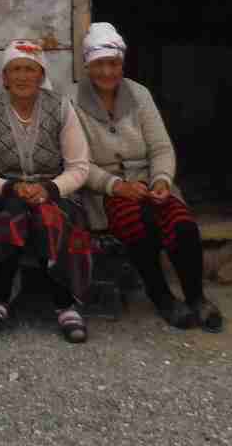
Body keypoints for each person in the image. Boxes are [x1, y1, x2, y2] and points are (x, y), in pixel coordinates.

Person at [73, 23, 223, 332]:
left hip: (148, 180)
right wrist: (117, 186)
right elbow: (78, 164)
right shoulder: (72, 103)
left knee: (181, 224)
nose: (107, 72)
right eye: (99, 64)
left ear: (122, 64)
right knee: (138, 224)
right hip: (107, 190)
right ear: (88, 65)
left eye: (113, 63)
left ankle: (196, 298)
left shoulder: (139, 94)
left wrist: (162, 181)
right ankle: (162, 297)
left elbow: (161, 148)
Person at [0, 38, 93, 343]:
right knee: (11, 216)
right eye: (16, 69)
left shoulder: (61, 108)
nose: (23, 76)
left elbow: (79, 167)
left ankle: (65, 304)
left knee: (47, 217)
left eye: (30, 69)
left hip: (55, 192)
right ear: (5, 77)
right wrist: (12, 187)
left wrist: (50, 189)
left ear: (41, 75)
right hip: (7, 193)